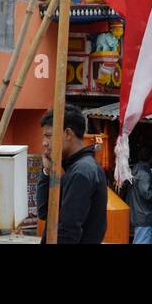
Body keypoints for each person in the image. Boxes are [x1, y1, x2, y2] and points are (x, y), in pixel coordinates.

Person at [36, 104, 106, 244]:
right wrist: (47, 172)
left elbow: (67, 231)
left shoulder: (82, 171)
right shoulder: (71, 167)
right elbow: (44, 212)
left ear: (68, 133)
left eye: (49, 136)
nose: (44, 143)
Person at [121, 145, 152, 244]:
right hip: (144, 214)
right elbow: (147, 193)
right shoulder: (144, 173)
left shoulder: (135, 169)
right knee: (142, 240)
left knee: (141, 239)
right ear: (151, 158)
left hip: (138, 212)